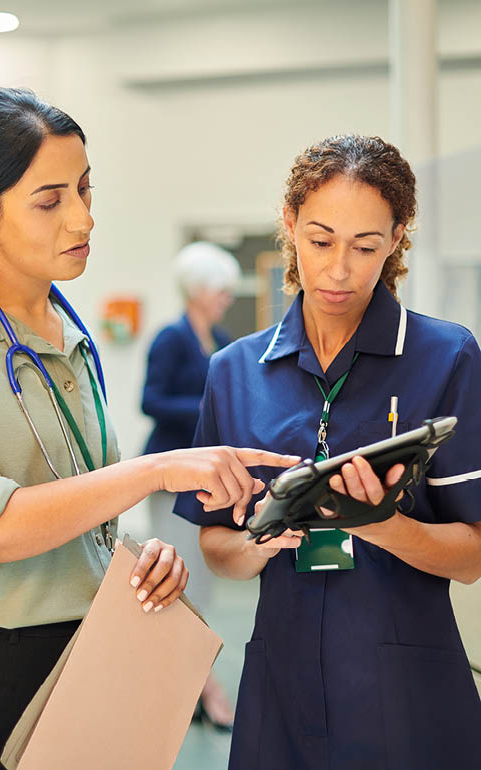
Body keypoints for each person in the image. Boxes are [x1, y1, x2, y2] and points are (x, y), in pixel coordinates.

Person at [0, 85, 295, 770]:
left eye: (84, 189)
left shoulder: (69, 330)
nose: (83, 218)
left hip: (79, 661)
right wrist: (156, 471)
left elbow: (80, 502)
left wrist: (128, 561)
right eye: (50, 201)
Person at [175, 135, 481, 770]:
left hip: (407, 690)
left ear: (397, 238)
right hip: (279, 687)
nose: (340, 269)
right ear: (289, 226)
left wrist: (381, 525)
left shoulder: (447, 358)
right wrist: (264, 539)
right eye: (320, 241)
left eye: (366, 246)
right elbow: (215, 546)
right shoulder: (234, 371)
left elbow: (473, 556)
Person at [142, 241, 240, 730]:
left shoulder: (220, 338)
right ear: (199, 290)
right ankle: (201, 687)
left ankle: (196, 682)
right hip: (168, 478)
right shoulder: (170, 339)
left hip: (204, 479)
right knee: (176, 584)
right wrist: (205, 411)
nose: (226, 298)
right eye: (221, 290)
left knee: (200, 584)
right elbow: (151, 400)